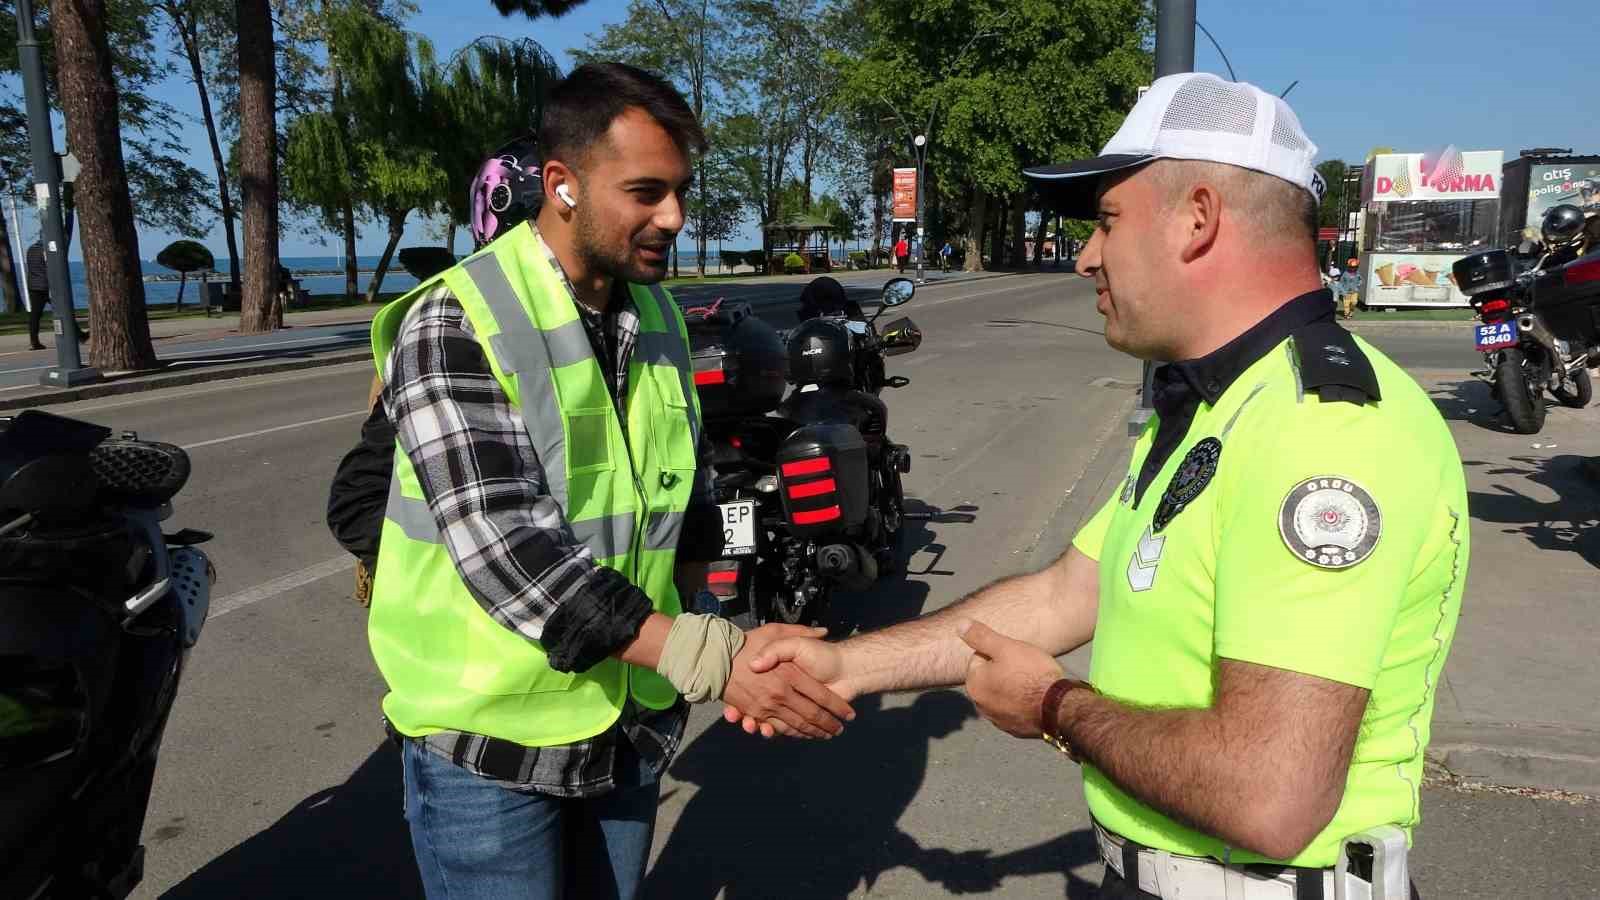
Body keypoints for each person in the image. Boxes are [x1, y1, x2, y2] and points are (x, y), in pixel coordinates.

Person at [727, 72, 1468, 899]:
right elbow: (1067, 593)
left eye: (1107, 220)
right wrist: (846, 668)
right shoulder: (1219, 403)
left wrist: (1053, 706)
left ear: (1198, 218)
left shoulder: (1321, 429)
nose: (1085, 255)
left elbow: (1271, 796)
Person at [368, 63, 852, 900]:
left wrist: (722, 627)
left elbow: (684, 497)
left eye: (680, 191)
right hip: (493, 749)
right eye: (646, 192)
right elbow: (511, 551)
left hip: (628, 722)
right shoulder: (454, 321)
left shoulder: (657, 312)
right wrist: (712, 658)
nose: (674, 218)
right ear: (562, 186)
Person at [25, 241, 48, 350]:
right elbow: (48, 268)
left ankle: (34, 340)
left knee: (35, 315)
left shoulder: (30, 249)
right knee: (65, 309)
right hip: (45, 285)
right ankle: (79, 335)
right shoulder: (45, 251)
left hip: (33, 285)